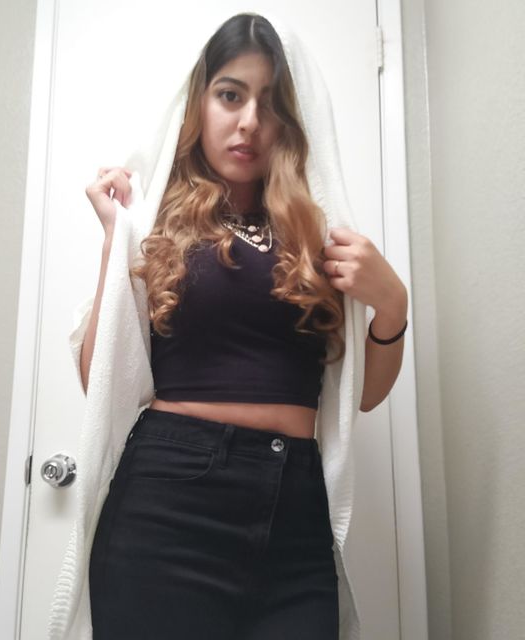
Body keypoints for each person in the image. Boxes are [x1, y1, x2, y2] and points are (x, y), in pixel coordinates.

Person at [49, 12, 407, 640]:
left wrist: (393, 304)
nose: (249, 122)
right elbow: (100, 379)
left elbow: (363, 396)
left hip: (294, 510)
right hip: (169, 505)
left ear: (292, 122)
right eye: (230, 95)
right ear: (199, 103)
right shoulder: (158, 221)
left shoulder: (318, 236)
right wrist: (114, 239)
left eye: (270, 104)